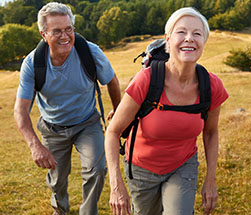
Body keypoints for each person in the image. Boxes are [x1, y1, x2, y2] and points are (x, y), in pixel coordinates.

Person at [105, 7, 228, 215]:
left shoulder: (211, 85)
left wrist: (211, 179)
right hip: (141, 168)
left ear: (204, 42)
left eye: (197, 33)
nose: (189, 38)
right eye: (181, 32)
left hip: (183, 165)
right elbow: (113, 131)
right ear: (168, 40)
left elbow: (211, 132)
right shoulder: (146, 80)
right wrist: (116, 186)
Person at [14, 2, 121, 215]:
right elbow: (20, 110)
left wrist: (119, 113)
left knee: (97, 169)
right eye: (57, 31)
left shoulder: (89, 52)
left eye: (68, 29)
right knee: (57, 179)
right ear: (44, 34)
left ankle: (87, 212)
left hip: (87, 123)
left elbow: (112, 82)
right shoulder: (33, 63)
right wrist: (35, 145)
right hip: (52, 128)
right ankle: (60, 210)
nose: (65, 36)